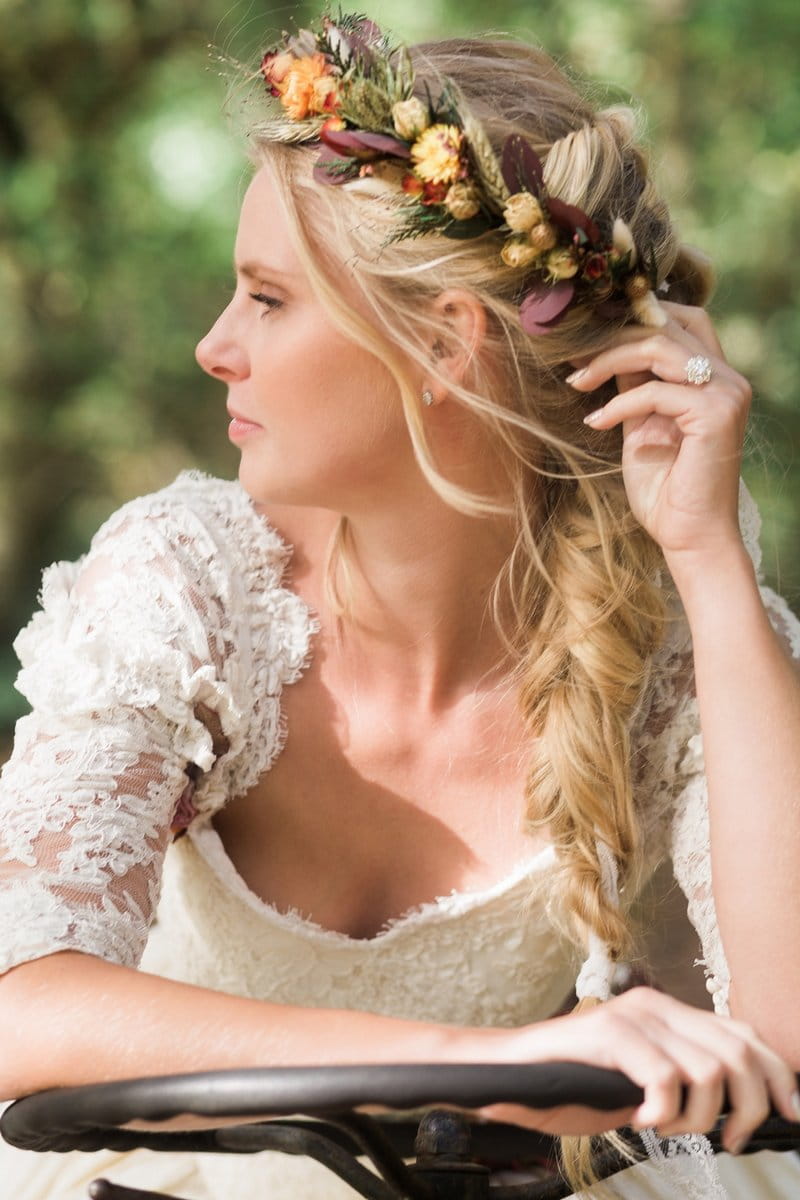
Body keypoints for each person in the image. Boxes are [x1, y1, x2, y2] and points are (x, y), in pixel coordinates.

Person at [0, 13, 799, 1199]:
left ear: (444, 341)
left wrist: (710, 566)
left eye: (267, 299)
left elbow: (785, 1054)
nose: (215, 346)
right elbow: (22, 1005)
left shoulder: (670, 617)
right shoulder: (185, 584)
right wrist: (480, 1066)